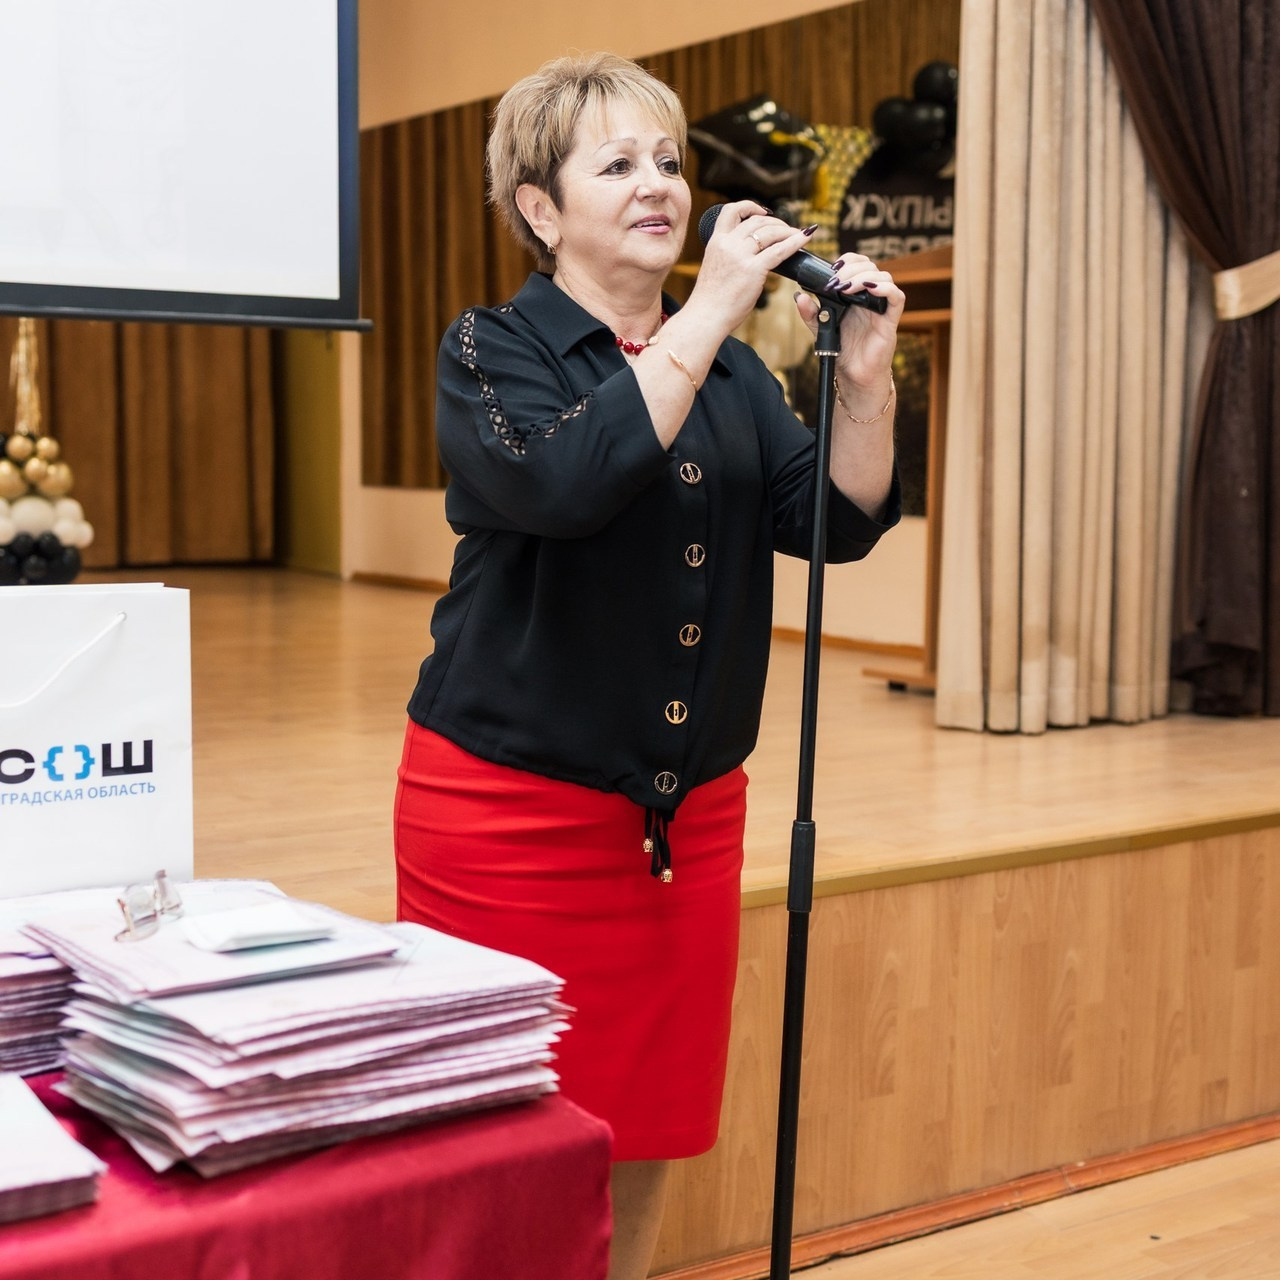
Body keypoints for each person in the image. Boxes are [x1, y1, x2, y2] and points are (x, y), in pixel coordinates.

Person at [394, 52, 902, 1280]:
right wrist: (712, 311)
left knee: (647, 1122)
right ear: (538, 208)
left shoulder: (730, 368)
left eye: (668, 161)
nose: (658, 186)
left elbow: (827, 519)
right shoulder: (492, 350)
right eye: (615, 164)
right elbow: (568, 483)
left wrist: (870, 384)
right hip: (506, 820)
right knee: (496, 1137)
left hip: (680, 825)